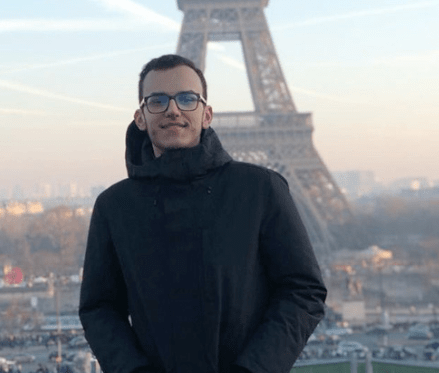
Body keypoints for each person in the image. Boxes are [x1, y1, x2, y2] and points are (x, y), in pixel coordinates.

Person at [79, 54, 327, 373]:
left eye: (186, 98)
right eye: (157, 100)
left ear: (206, 114)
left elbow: (303, 290)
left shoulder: (262, 189)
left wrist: (252, 369)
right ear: (140, 117)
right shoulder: (113, 206)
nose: (173, 109)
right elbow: (99, 307)